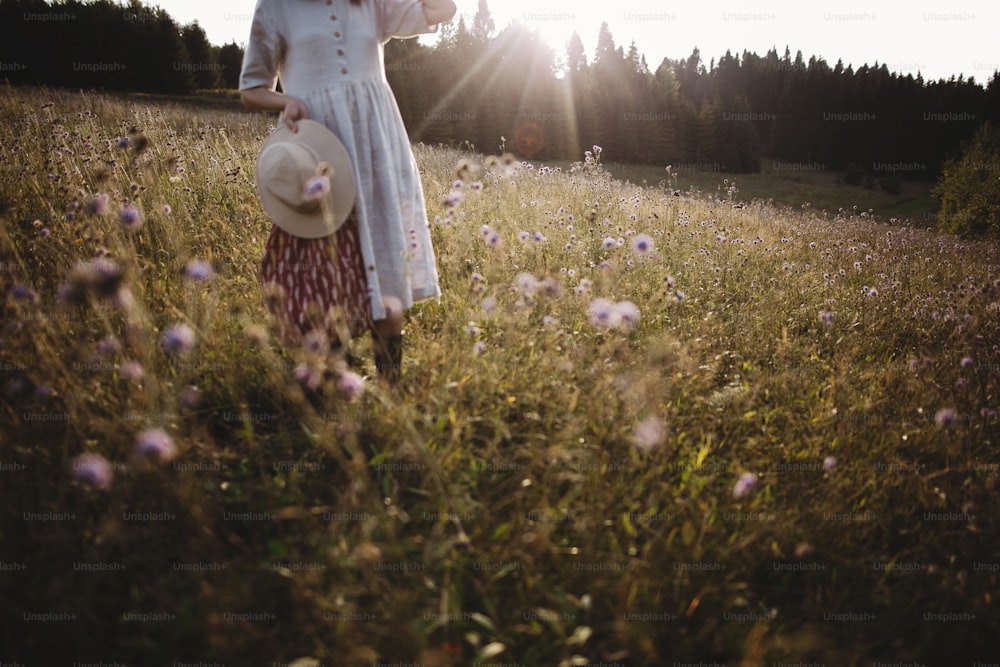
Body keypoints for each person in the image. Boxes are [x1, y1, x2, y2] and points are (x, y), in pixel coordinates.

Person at [239, 0, 457, 382]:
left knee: (386, 265)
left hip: (376, 148)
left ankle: (392, 392)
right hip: (320, 153)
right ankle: (325, 392)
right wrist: (287, 100)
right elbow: (251, 88)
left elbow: (443, 9)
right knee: (328, 275)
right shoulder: (275, 6)